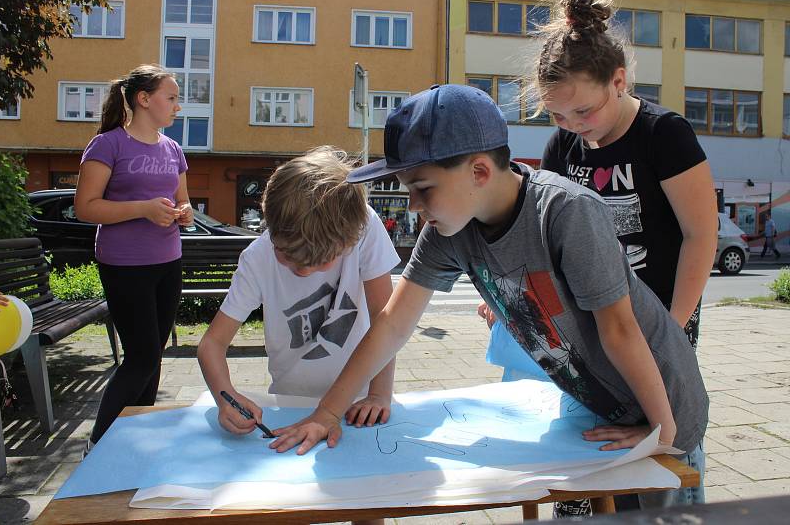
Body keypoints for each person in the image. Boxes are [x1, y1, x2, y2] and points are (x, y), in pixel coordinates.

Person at [266, 84, 709, 513]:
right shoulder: (448, 231)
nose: (415, 206)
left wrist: (661, 428)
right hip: (596, 409)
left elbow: (619, 328)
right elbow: (392, 324)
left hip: (664, 404)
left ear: (478, 172)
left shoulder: (566, 213)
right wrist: (327, 412)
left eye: (423, 189)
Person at [526, 0, 718, 513]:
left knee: (666, 425)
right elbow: (547, 240)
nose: (574, 126)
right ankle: (588, 507)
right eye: (559, 115)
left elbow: (701, 236)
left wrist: (674, 330)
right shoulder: (561, 146)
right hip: (595, 318)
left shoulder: (665, 136)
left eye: (583, 111)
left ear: (619, 80)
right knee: (593, 423)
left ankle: (674, 510)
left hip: (660, 316)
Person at [197, 147, 399, 525]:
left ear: (349, 240)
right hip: (289, 403)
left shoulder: (364, 226)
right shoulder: (257, 258)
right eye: (287, 256)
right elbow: (211, 344)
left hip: (358, 403)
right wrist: (226, 399)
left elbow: (385, 320)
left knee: (367, 504)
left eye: (318, 262)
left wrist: (378, 393)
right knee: (294, 504)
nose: (302, 271)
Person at [74, 64, 193, 453]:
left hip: (167, 260)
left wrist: (185, 211)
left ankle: (138, 440)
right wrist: (142, 208)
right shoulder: (108, 145)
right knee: (141, 356)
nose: (178, 106)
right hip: (124, 264)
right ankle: (101, 443)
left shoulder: (172, 149)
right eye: (171, 98)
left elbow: (182, 199)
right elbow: (85, 208)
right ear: (144, 99)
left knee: (153, 354)